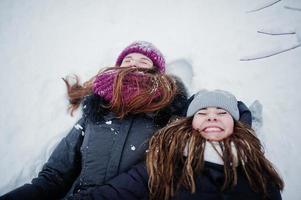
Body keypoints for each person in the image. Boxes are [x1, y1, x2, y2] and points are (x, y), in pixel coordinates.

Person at [0, 41, 188, 200]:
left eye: (143, 61)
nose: (132, 64)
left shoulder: (168, 115)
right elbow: (54, 176)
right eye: (127, 60)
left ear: (157, 72)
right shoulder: (96, 111)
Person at [68, 89, 283, 200]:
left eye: (221, 113)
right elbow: (119, 191)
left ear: (235, 123)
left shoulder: (256, 169)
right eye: (202, 112)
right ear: (190, 122)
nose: (212, 117)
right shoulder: (167, 159)